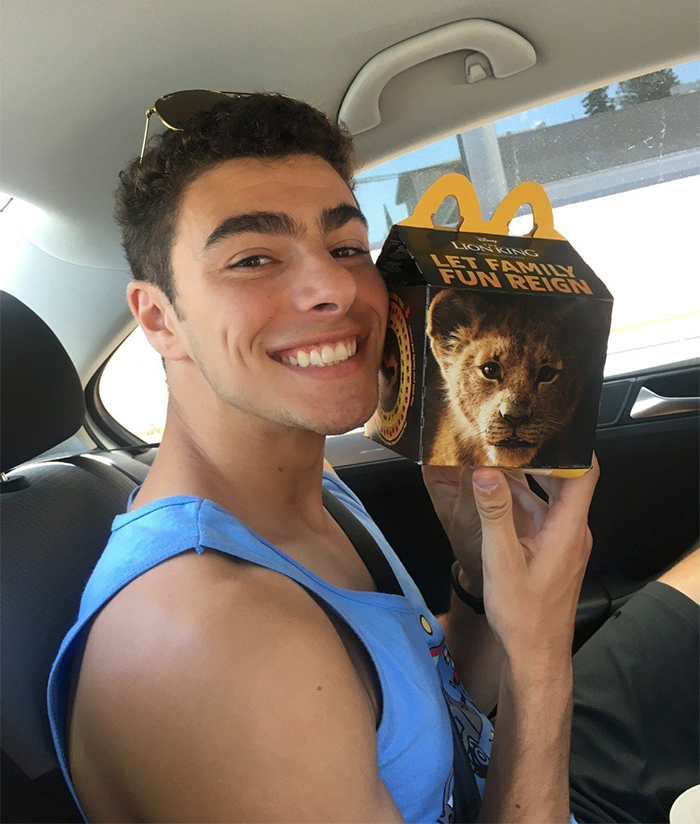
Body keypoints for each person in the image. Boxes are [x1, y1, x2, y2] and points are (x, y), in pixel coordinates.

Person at [47, 93, 700, 824]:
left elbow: (423, 703)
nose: (333, 287)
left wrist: (481, 585)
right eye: (253, 258)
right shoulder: (212, 637)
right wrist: (541, 659)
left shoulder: (312, 487)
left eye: (347, 248)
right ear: (159, 318)